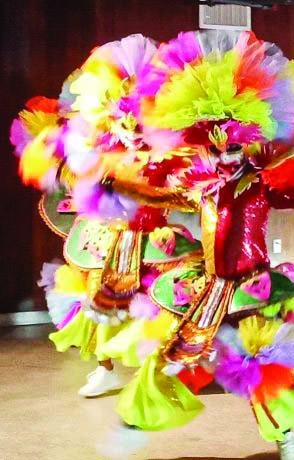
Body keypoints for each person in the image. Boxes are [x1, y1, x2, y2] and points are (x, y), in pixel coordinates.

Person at [98, 30, 294, 460]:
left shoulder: (257, 186)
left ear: (245, 144)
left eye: (232, 147)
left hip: (251, 290)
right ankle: (135, 424)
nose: (224, 157)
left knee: (262, 366)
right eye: (215, 149)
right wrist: (121, 182)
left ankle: (287, 441)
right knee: (177, 356)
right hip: (210, 289)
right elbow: (160, 195)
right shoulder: (202, 189)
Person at [10, 35, 200, 397]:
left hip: (152, 236)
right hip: (108, 235)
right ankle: (106, 367)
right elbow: (78, 168)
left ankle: (160, 367)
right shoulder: (99, 136)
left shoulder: (165, 142)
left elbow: (175, 185)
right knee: (97, 296)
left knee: (158, 299)